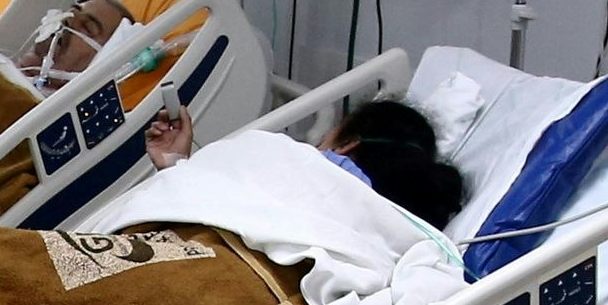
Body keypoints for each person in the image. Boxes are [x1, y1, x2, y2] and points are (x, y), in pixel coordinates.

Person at [142, 95, 467, 231]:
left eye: (326, 137)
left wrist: (178, 169)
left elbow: (227, 211)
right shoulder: (391, 235)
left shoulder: (312, 166)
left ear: (348, 145)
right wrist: (176, 168)